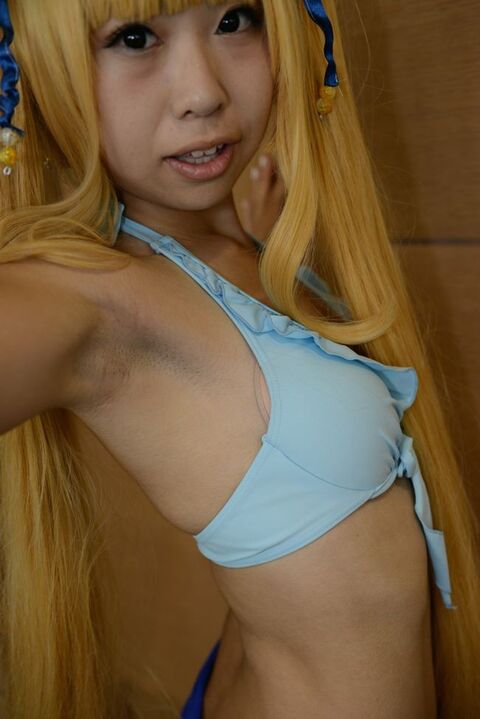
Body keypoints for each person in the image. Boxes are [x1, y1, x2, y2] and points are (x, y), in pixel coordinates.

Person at [0, 1, 479, 718]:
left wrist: (261, 239)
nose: (203, 93)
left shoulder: (240, 246)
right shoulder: (90, 301)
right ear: (37, 67)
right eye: (134, 38)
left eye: (234, 20)